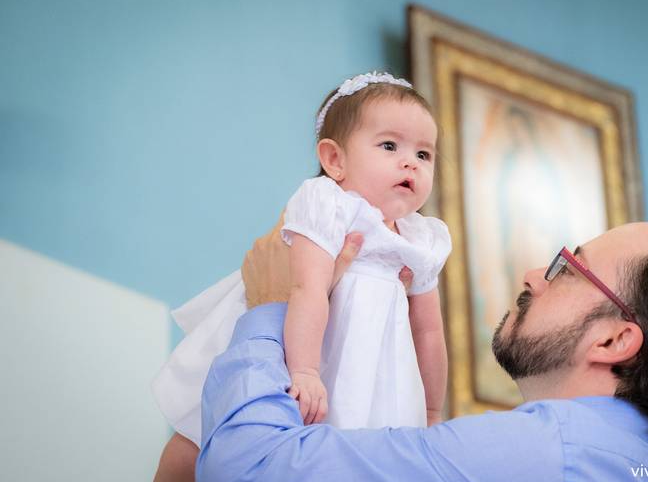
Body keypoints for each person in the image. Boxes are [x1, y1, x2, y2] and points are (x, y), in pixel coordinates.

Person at [189, 219, 648, 482]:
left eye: (568, 268)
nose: (536, 275)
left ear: (613, 340)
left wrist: (270, 309)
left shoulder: (545, 458)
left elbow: (247, 472)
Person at [151, 72, 450, 451]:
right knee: (199, 437)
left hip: (376, 364)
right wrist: (306, 369)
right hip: (306, 342)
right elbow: (307, 287)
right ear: (334, 160)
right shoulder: (328, 205)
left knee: (355, 448)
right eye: (389, 146)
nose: (411, 163)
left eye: (423, 154)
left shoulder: (423, 237)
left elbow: (428, 332)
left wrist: (432, 410)